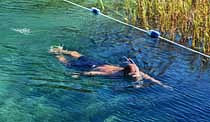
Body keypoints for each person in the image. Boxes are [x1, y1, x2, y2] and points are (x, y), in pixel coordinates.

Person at [49, 46, 171, 89]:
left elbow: (149, 77)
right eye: (135, 74)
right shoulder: (114, 74)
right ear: (127, 73)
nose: (137, 75)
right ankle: (56, 53)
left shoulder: (136, 71)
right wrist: (79, 75)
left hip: (100, 63)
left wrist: (162, 84)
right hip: (93, 67)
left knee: (81, 56)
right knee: (68, 65)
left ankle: (65, 50)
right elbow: (93, 74)